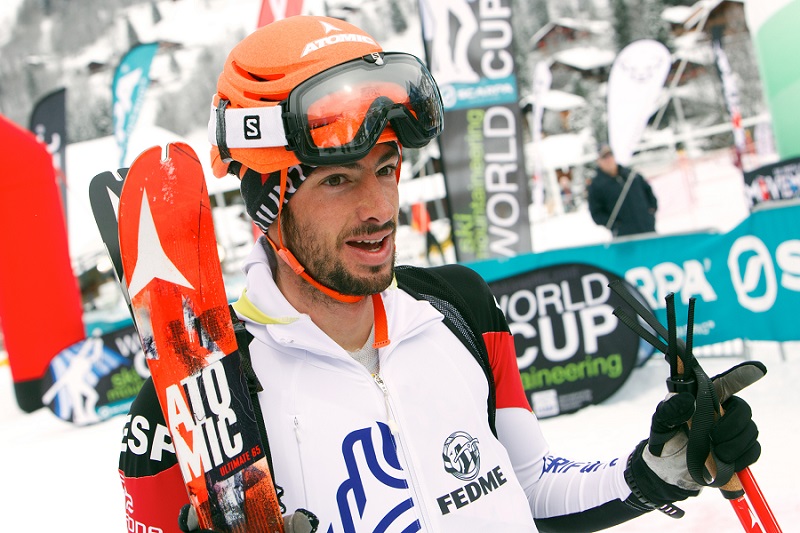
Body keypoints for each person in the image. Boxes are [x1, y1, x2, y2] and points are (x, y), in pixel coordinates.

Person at [118, 16, 762, 532]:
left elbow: (530, 487)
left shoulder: (460, 310)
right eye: (339, 180)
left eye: (386, 169)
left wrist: (657, 470)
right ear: (269, 203)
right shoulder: (200, 389)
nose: (377, 209)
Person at [588, 144, 658, 237]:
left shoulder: (632, 175)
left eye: (610, 155)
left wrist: (651, 212)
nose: (608, 159)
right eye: (604, 157)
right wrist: (615, 226)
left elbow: (648, 192)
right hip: (625, 238)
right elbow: (596, 213)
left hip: (648, 230)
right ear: (599, 161)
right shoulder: (596, 185)